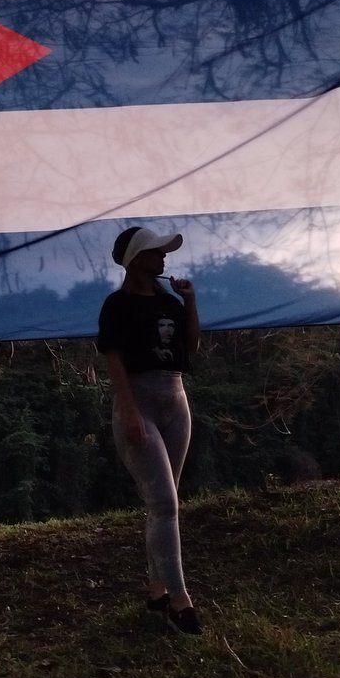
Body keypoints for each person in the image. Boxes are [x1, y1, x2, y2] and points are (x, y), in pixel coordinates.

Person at [97, 226, 203, 635]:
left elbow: (190, 348)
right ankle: (180, 599)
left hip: (175, 397)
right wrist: (128, 412)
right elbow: (114, 359)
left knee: (165, 502)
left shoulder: (170, 302)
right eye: (156, 252)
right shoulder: (117, 305)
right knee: (164, 503)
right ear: (136, 259)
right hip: (138, 399)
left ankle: (157, 590)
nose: (163, 258)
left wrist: (190, 301)